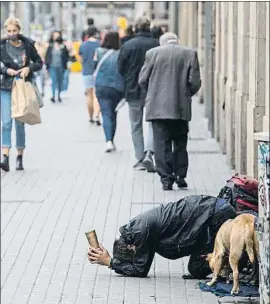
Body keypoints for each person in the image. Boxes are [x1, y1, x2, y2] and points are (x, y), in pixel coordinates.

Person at [88, 195, 237, 279]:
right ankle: (230, 263)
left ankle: (236, 265)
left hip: (217, 215)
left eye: (135, 255)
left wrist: (110, 262)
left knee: (197, 268)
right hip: (212, 215)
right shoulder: (134, 230)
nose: (139, 254)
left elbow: (140, 270)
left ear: (131, 247)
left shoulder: (140, 232)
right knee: (196, 268)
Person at [139, 32, 201, 190]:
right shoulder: (190, 53)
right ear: (177, 41)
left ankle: (166, 179)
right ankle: (180, 176)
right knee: (180, 142)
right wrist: (185, 95)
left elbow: (142, 80)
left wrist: (154, 93)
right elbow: (195, 82)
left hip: (157, 108)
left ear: (162, 43)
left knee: (161, 144)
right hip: (180, 107)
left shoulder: (152, 54)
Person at [0, 17, 42, 172]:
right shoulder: (2, 46)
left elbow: (39, 62)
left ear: (19, 30)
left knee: (19, 122)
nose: (11, 34)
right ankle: (5, 156)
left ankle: (19, 156)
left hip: (22, 87)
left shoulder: (27, 45)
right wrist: (6, 70)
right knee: (5, 123)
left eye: (14, 31)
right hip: (5, 87)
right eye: (9, 31)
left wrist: (28, 68)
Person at [118, 17, 159, 172]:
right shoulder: (156, 44)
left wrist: (129, 79)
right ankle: (149, 153)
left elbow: (120, 68)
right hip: (152, 90)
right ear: (148, 28)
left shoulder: (128, 45)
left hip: (133, 90)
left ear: (135, 28)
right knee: (153, 123)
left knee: (135, 125)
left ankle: (140, 158)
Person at [94, 31, 124, 152]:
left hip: (101, 85)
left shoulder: (99, 51)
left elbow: (94, 66)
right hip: (117, 87)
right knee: (113, 114)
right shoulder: (121, 53)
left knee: (106, 113)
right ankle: (111, 138)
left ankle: (108, 141)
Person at [79, 26, 101, 125]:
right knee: (97, 95)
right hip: (98, 72)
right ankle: (97, 115)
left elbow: (80, 59)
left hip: (87, 72)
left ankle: (90, 116)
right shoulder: (99, 44)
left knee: (89, 95)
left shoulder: (83, 45)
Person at [45, 31, 69, 103]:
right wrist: (47, 65)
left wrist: (66, 65)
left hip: (61, 66)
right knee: (54, 80)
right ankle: (53, 96)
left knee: (60, 81)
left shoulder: (63, 46)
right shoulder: (51, 46)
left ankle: (58, 95)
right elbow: (47, 56)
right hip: (52, 66)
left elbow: (66, 56)